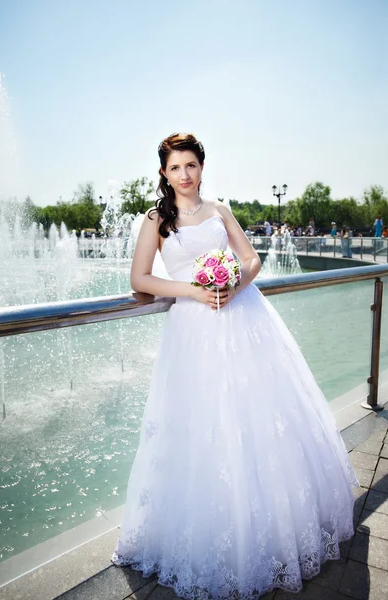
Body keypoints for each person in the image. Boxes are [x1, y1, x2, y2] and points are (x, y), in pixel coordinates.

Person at [111, 132, 359, 599]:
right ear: (163, 173)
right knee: (203, 422)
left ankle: (271, 524)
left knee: (259, 415)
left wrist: (232, 286)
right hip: (192, 327)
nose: (185, 175)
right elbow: (140, 278)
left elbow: (252, 258)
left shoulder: (220, 209)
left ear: (202, 167)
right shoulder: (156, 219)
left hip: (243, 317)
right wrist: (196, 290)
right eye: (175, 167)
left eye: (192, 165)